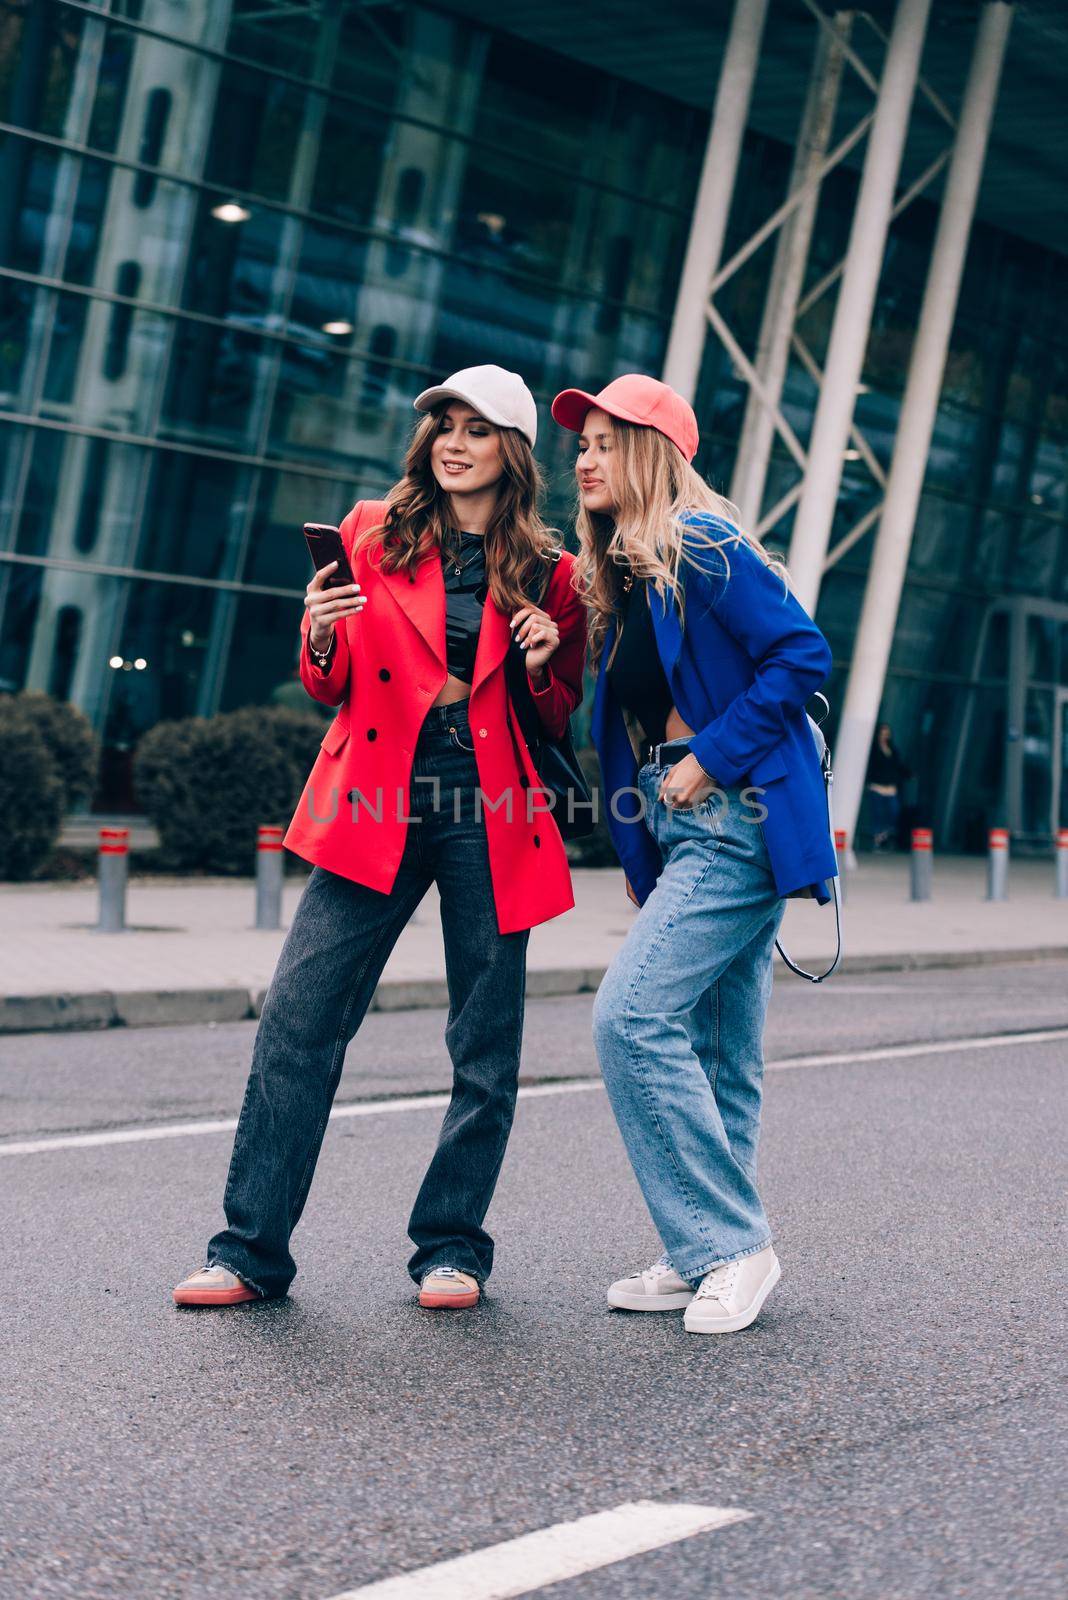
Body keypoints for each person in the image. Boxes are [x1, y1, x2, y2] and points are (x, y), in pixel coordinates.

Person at [173, 365, 587, 1312]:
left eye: (476, 429)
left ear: (511, 451)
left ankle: (452, 1247)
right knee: (299, 1018)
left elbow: (558, 716)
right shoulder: (373, 531)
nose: (452, 441)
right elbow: (332, 682)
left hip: (493, 805)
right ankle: (247, 1252)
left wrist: (540, 662)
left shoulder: (553, 576)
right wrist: (317, 632)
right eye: (443, 423)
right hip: (378, 797)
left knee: (485, 1042)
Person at [551, 373, 835, 1335]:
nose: (582, 458)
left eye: (601, 441)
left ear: (649, 452)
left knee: (629, 1020)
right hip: (686, 822)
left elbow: (801, 653)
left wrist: (710, 758)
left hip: (733, 817)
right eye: (579, 444)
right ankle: (704, 1252)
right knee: (718, 1051)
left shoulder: (702, 545)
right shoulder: (630, 576)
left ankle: (732, 1246)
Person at [866, 722, 911, 850]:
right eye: (883, 734)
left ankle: (884, 835)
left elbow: (898, 765)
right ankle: (877, 839)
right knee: (878, 814)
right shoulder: (874, 749)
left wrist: (908, 774)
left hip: (890, 788)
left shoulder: (893, 750)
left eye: (887, 734)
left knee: (894, 812)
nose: (885, 736)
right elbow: (870, 766)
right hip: (877, 786)